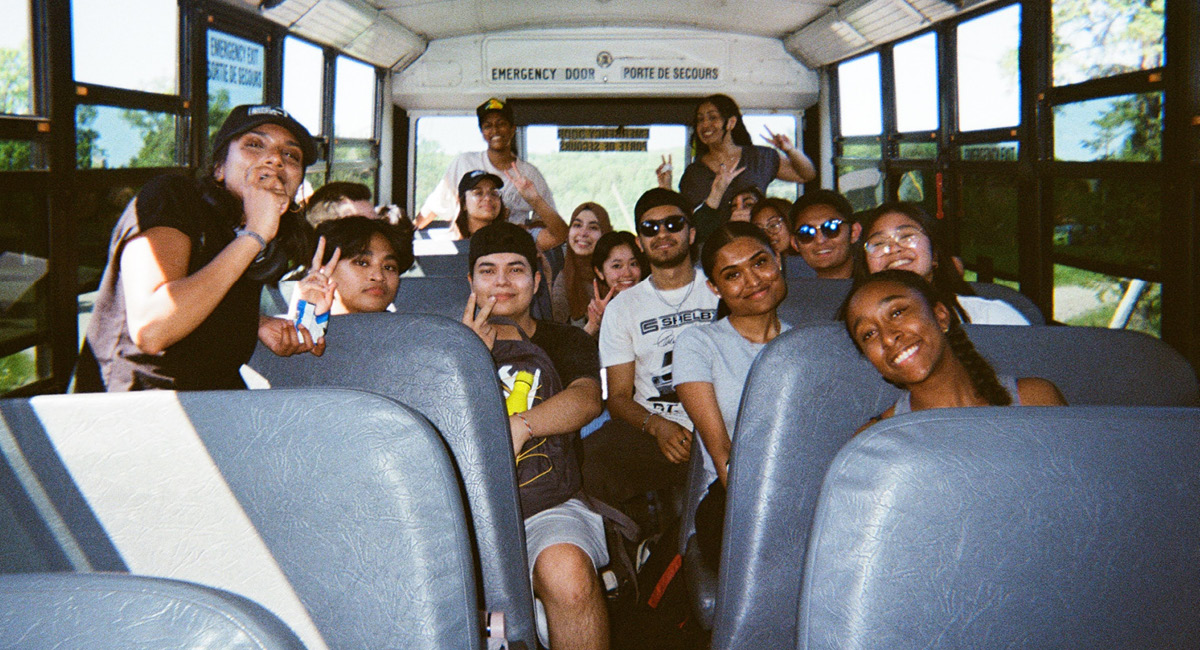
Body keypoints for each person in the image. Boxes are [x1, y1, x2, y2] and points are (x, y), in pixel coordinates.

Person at [77, 104, 322, 391]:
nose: (275, 159)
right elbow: (152, 328)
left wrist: (254, 323)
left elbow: (203, 292)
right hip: (136, 404)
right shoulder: (173, 197)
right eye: (255, 144)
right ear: (219, 168)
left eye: (291, 155)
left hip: (216, 396)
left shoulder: (255, 234)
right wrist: (254, 235)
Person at [459, 222, 608, 650]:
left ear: (538, 280)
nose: (502, 281)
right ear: (470, 281)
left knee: (569, 574)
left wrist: (520, 426)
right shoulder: (442, 344)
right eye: (488, 270)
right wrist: (466, 356)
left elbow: (585, 401)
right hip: (459, 507)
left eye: (516, 269)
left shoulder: (565, 339)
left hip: (548, 501)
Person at [584, 188, 719, 521]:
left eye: (673, 224)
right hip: (653, 432)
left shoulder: (720, 289)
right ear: (640, 241)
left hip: (722, 426)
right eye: (650, 228)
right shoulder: (622, 308)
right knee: (587, 459)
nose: (662, 234)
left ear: (692, 232)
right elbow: (617, 397)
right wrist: (659, 427)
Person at [675, 221, 790, 571]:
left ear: (778, 261)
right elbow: (721, 449)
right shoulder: (699, 343)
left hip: (805, 488)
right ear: (715, 287)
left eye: (760, 263)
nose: (754, 281)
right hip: (736, 494)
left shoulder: (807, 345)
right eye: (733, 275)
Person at [840, 270, 1065, 432]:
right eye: (868, 334)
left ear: (941, 315)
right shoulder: (876, 440)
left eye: (898, 312)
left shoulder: (1035, 399)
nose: (888, 338)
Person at [415, 98, 566, 248]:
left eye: (501, 124)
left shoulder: (529, 174)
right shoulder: (464, 162)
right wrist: (410, 232)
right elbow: (435, 205)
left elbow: (557, 231)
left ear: (512, 129)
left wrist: (527, 233)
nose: (487, 199)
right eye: (477, 192)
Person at [858, 202, 1030, 325]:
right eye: (879, 243)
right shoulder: (858, 326)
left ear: (935, 256)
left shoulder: (993, 317)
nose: (894, 248)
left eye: (906, 236)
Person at [678, 94, 815, 222]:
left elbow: (806, 176)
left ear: (731, 122)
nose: (705, 125)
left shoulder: (759, 157)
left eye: (713, 117)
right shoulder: (694, 173)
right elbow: (691, 220)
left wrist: (790, 150)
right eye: (700, 119)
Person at [295, 216, 413, 318]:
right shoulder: (287, 336)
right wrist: (307, 317)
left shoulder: (417, 334)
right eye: (362, 263)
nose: (378, 276)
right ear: (324, 269)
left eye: (389, 267)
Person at [551, 202, 613, 327]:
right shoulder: (565, 279)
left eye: (593, 227)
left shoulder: (619, 272)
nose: (583, 233)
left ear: (605, 233)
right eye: (577, 225)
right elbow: (559, 337)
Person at [582, 231, 647, 337]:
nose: (627, 273)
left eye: (633, 264)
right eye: (617, 266)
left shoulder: (658, 300)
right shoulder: (599, 313)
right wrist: (593, 325)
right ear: (600, 272)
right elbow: (573, 351)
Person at [789, 189, 861, 280]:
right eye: (806, 233)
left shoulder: (877, 288)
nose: (820, 240)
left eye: (831, 228)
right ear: (795, 243)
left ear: (854, 232)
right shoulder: (792, 291)